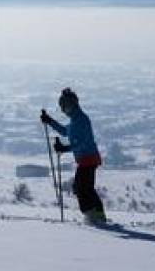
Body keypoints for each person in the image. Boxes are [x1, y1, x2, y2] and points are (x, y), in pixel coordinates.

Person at [40, 87, 106, 225]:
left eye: (65, 106)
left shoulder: (80, 120)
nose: (63, 110)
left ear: (72, 105)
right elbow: (65, 132)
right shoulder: (76, 119)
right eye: (62, 107)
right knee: (85, 188)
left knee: (81, 188)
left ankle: (92, 216)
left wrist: (64, 148)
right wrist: (50, 121)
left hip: (88, 159)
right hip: (86, 159)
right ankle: (97, 215)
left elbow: (81, 143)